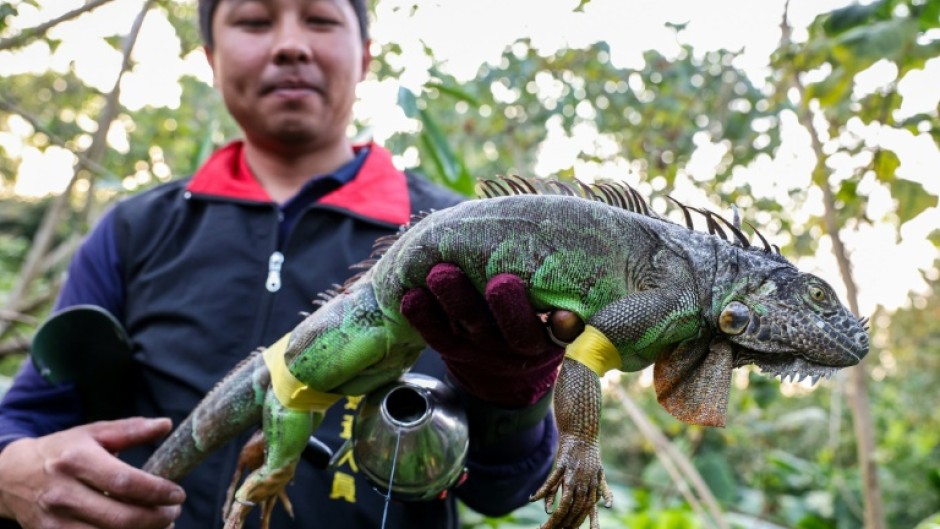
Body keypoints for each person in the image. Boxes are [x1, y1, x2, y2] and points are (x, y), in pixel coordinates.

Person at [0, 0, 566, 528]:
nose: (291, 45)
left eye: (320, 19)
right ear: (211, 59)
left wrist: (515, 394)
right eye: (254, 20)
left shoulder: (462, 235)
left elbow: (502, 491)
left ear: (365, 56)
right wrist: (12, 469)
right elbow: (28, 415)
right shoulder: (134, 228)